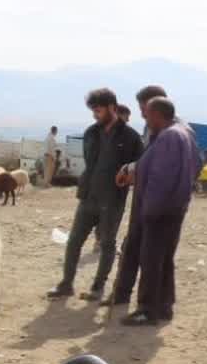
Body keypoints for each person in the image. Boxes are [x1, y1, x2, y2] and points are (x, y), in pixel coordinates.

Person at [49, 89, 143, 304]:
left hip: (112, 200)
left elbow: (140, 165)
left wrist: (128, 175)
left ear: (112, 107)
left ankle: (97, 287)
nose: (95, 115)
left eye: (98, 110)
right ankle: (66, 284)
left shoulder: (130, 137)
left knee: (107, 244)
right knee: (74, 242)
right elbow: (90, 163)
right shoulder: (91, 133)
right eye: (93, 111)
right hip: (88, 196)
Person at [111, 97, 198, 326]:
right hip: (172, 208)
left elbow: (161, 178)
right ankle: (164, 306)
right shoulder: (181, 132)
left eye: (147, 114)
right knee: (163, 260)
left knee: (151, 260)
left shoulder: (169, 137)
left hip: (160, 211)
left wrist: (149, 209)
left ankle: (147, 310)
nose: (145, 119)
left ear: (158, 115)